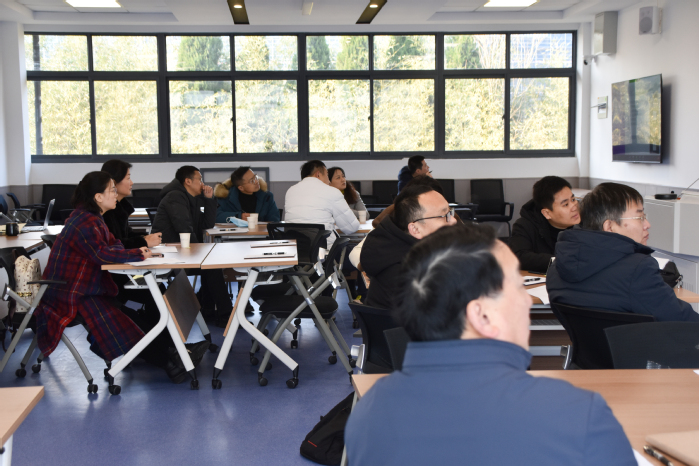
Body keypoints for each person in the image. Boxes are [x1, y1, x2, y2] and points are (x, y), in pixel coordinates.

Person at [345, 224, 636, 466]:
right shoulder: (578, 415)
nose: (527, 301)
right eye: (518, 288)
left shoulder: (368, 412)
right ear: (482, 315)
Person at [34, 172, 193, 383]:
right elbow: (102, 254)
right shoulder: (84, 222)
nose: (116, 194)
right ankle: (169, 361)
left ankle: (172, 354)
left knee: (133, 317)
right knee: (126, 321)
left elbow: (113, 245)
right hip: (70, 294)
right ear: (98, 197)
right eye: (112, 190)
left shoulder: (93, 219)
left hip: (85, 289)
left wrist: (136, 250)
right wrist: (138, 253)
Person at [547, 182, 699, 322]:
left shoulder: (556, 269)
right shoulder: (638, 270)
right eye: (640, 217)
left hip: (588, 345)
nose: (647, 224)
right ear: (609, 227)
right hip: (640, 344)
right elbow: (686, 322)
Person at [152, 166, 233, 326]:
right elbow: (184, 228)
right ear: (188, 181)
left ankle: (210, 310)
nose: (203, 183)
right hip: (168, 253)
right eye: (200, 179)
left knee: (211, 266)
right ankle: (225, 315)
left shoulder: (192, 198)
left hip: (181, 251)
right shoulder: (175, 197)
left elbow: (206, 224)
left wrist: (209, 200)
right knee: (211, 266)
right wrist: (201, 253)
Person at [360, 183, 456, 309]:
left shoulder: (397, 249)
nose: (453, 220)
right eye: (444, 216)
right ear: (415, 229)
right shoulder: (409, 276)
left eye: (450, 212)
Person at [509, 176, 580, 273]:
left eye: (573, 199)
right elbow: (519, 256)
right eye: (566, 204)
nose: (574, 207)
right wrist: (559, 261)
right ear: (547, 213)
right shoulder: (525, 225)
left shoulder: (586, 222)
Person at [284, 160, 359, 250]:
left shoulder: (290, 191)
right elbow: (351, 227)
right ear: (318, 174)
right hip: (325, 251)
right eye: (327, 175)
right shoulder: (332, 192)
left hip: (296, 250)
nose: (328, 180)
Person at [214, 166, 280, 223]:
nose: (256, 181)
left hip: (260, 233)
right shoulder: (225, 196)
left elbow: (275, 219)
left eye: (255, 177)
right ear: (241, 188)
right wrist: (238, 216)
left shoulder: (267, 196)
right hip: (234, 233)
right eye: (251, 181)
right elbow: (216, 216)